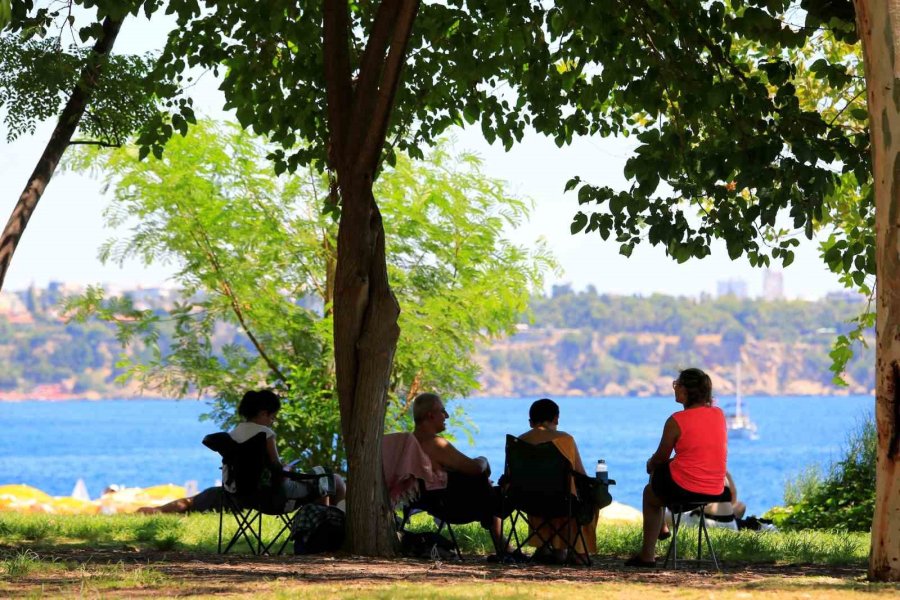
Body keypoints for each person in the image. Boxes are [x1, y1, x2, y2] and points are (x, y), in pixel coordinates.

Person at [138, 389, 345, 514]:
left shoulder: (234, 434)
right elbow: (276, 469)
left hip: (240, 496)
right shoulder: (265, 434)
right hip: (274, 496)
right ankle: (328, 526)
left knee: (323, 481)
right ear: (264, 413)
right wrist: (288, 467)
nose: (272, 421)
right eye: (272, 416)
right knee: (332, 479)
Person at [625, 368, 728, 567]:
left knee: (651, 490)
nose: (675, 388)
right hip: (714, 489)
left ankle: (647, 554)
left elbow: (661, 457)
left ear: (686, 390)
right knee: (664, 471)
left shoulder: (676, 421)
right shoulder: (719, 414)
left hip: (684, 489)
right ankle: (662, 525)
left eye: (677, 385)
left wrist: (650, 464)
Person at [411, 392, 509, 556]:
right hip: (455, 505)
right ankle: (503, 547)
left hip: (427, 502)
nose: (447, 416)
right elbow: (475, 468)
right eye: (443, 411)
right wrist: (484, 459)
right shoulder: (435, 444)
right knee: (490, 488)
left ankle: (504, 546)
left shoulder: (409, 444)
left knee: (483, 486)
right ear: (431, 415)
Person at [517, 398, 598, 565]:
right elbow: (580, 474)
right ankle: (578, 552)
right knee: (587, 496)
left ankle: (547, 548)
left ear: (531, 422)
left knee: (546, 492)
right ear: (556, 419)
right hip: (561, 502)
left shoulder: (519, 441)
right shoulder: (564, 440)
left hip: (527, 502)